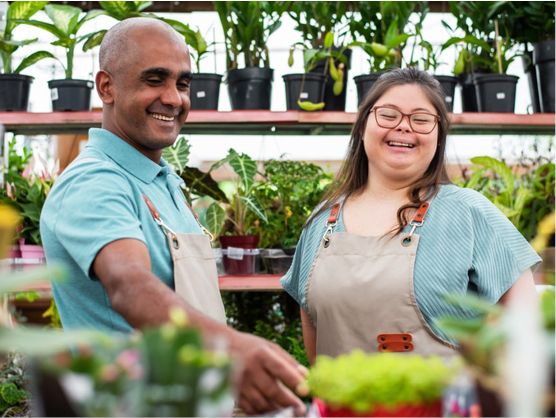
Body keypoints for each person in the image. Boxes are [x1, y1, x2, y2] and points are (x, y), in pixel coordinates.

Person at [40, 17, 307, 416]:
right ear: (106, 87)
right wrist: (229, 349)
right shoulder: (95, 182)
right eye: (154, 80)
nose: (174, 98)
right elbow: (130, 285)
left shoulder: (162, 179)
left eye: (182, 84)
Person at [281, 68, 541, 364]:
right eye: (388, 115)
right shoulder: (321, 221)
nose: (404, 127)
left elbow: (524, 326)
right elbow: (315, 346)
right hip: (342, 407)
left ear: (439, 135)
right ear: (363, 125)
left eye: (421, 119)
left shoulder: (470, 213)